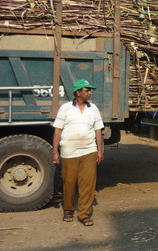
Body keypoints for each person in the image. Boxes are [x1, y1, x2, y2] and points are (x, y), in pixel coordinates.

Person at [52, 79, 104, 226]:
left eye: (90, 90)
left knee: (88, 184)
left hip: (89, 151)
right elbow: (58, 130)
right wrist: (55, 151)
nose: (90, 93)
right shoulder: (65, 108)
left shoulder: (93, 108)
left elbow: (98, 131)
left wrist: (100, 151)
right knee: (69, 183)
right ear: (78, 92)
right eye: (87, 90)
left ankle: (84, 214)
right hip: (69, 152)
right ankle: (68, 210)